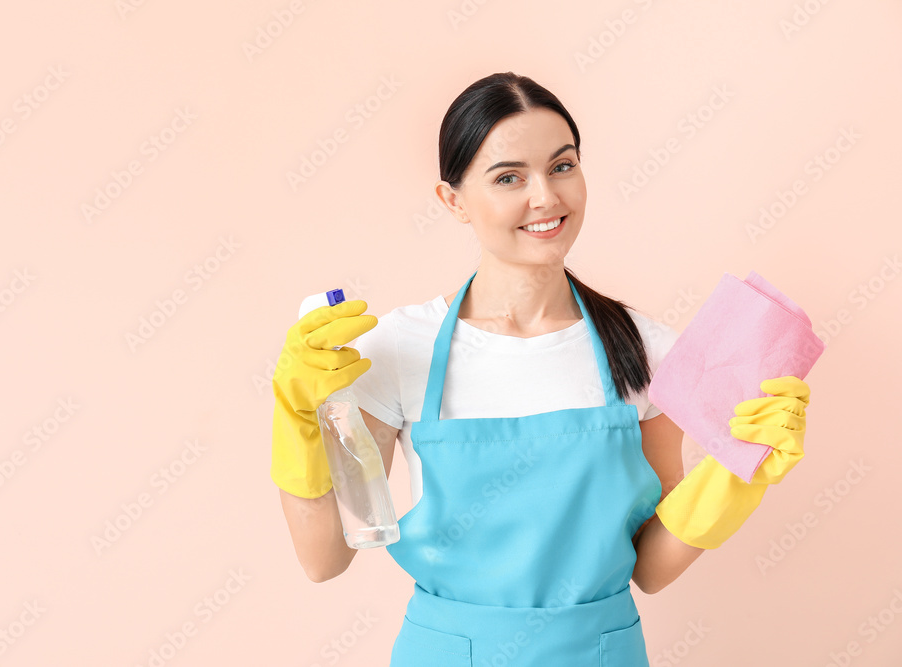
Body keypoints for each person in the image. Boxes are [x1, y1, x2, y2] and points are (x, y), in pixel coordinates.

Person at [270, 72, 811, 666]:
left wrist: (733, 477)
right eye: (509, 178)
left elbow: (650, 569)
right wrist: (296, 422)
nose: (546, 198)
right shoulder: (401, 348)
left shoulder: (647, 350)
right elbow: (324, 560)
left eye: (562, 166)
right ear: (453, 200)